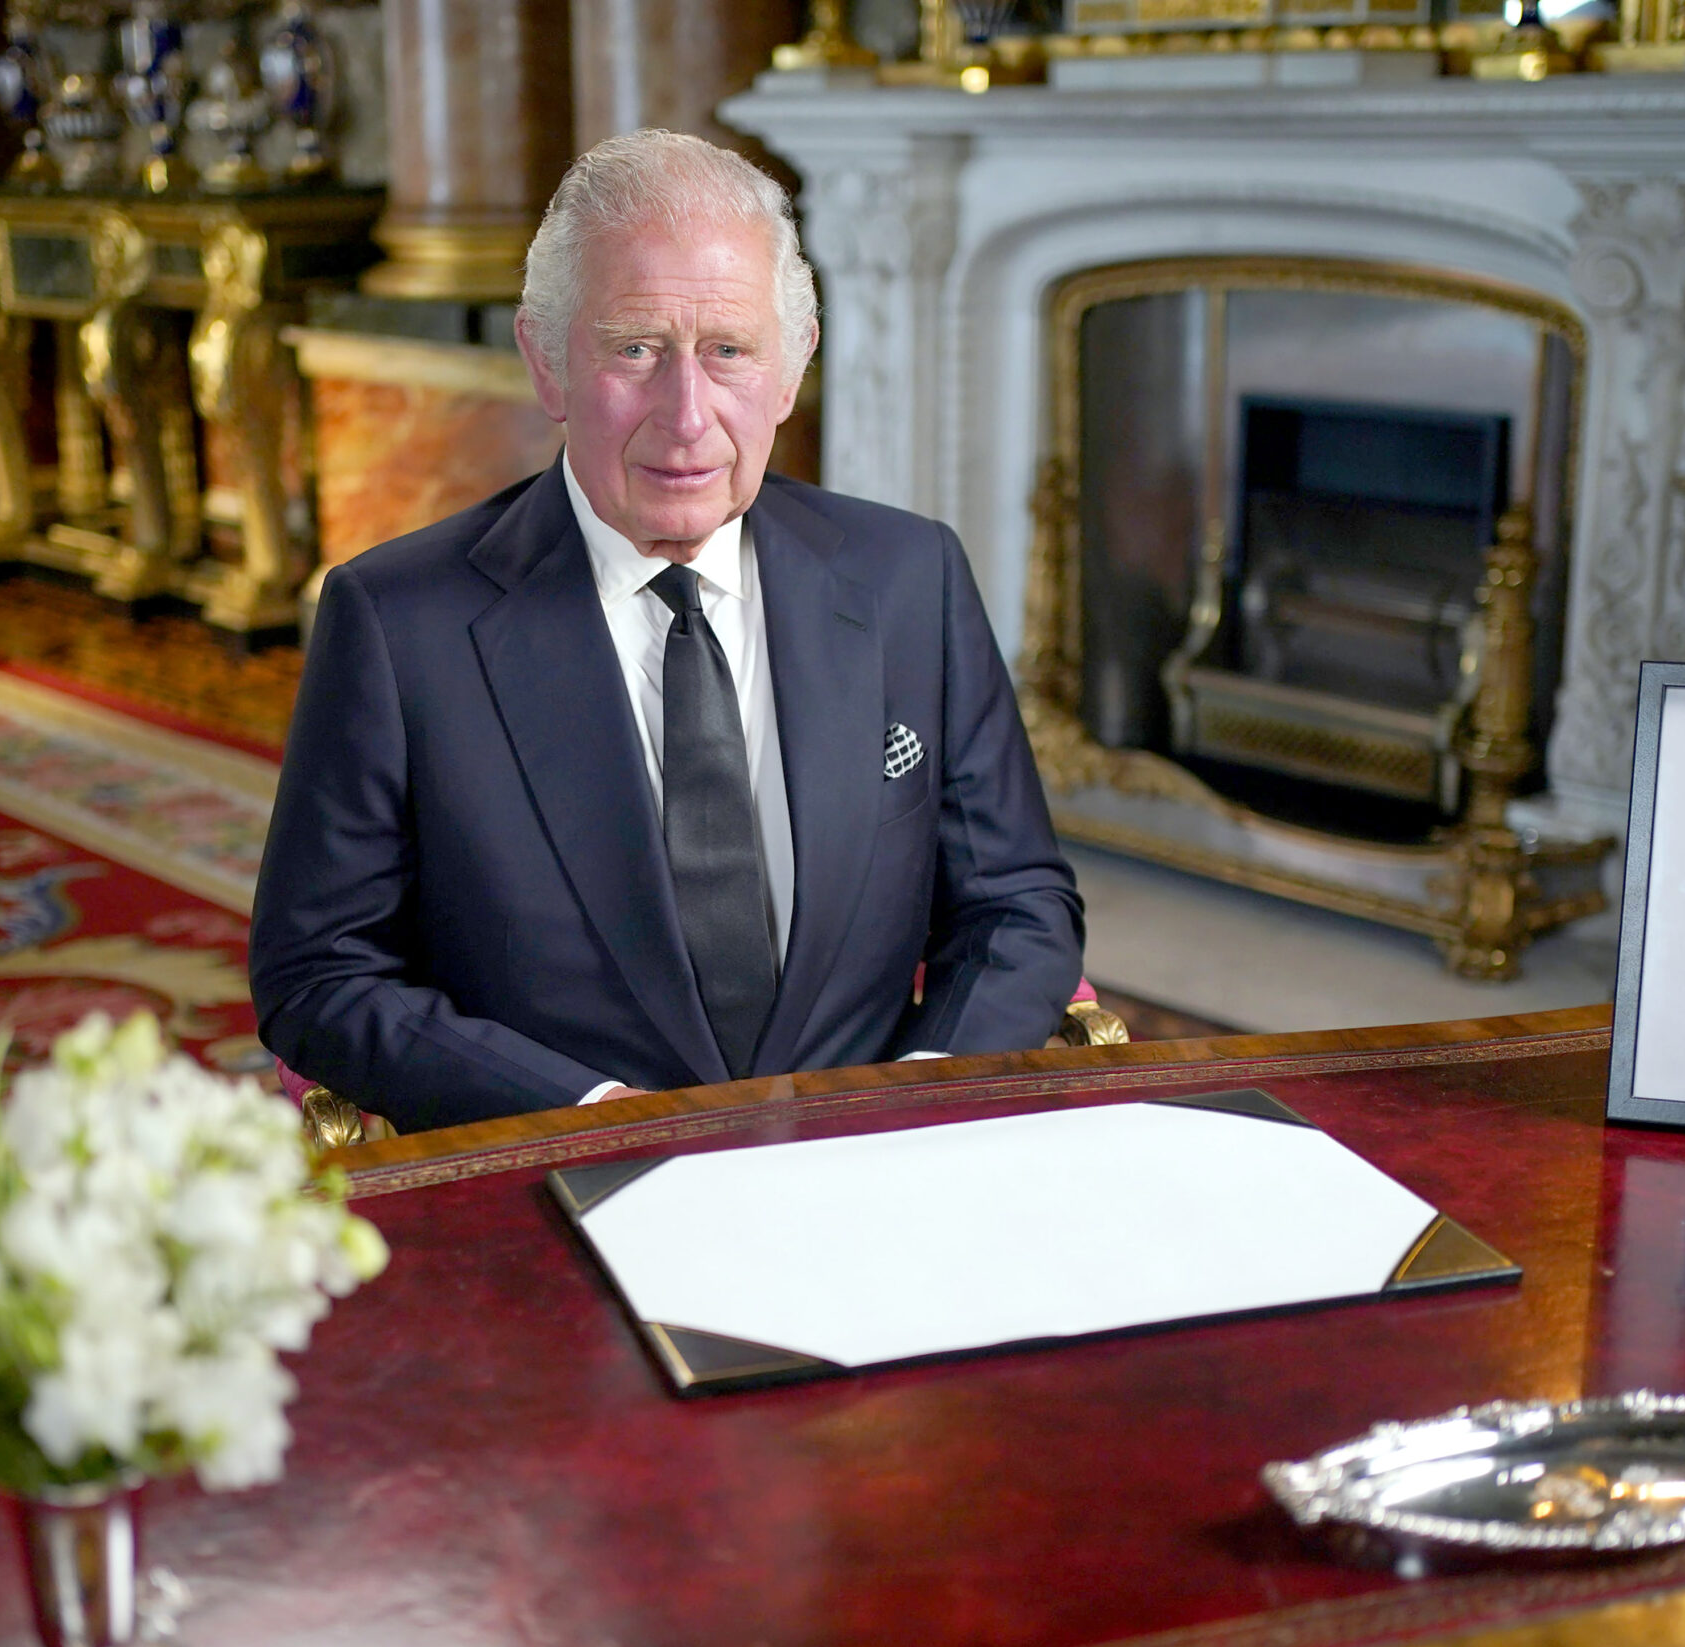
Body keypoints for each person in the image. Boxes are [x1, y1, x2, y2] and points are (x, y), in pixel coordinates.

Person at [250, 130, 1085, 1132]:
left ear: (791, 368)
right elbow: (319, 971)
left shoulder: (911, 579)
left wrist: (921, 1090)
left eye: (728, 351)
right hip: (560, 1184)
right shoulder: (399, 624)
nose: (687, 415)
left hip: (875, 1171)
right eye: (635, 349)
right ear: (547, 364)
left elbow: (1015, 902)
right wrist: (585, 1114)